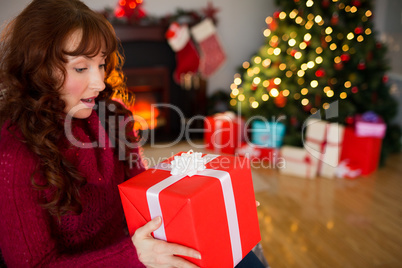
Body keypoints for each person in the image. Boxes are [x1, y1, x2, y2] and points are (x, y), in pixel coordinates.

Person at [0, 0, 266, 267]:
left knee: (242, 256)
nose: (99, 82)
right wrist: (133, 255)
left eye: (101, 64)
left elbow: (147, 196)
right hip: (126, 259)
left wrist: (210, 205)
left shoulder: (112, 117)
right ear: (38, 67)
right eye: (81, 68)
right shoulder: (14, 155)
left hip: (136, 252)